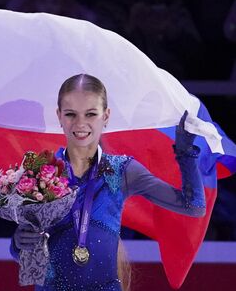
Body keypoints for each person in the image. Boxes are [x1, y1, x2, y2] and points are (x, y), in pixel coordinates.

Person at [11, 74, 205, 290]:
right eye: (70, 114)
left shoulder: (123, 170)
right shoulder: (40, 173)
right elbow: (27, 258)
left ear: (106, 116)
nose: (80, 123)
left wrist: (185, 153)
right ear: (59, 116)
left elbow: (193, 206)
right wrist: (19, 242)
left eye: (91, 114)